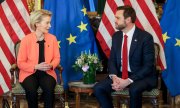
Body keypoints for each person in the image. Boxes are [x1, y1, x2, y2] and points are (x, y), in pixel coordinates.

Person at [93, 5, 157, 108]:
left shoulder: (145, 38)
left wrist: (128, 81)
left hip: (141, 76)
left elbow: (148, 66)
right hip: (120, 75)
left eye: (118, 18)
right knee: (98, 88)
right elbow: (112, 60)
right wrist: (114, 77)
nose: (115, 20)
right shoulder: (116, 36)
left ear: (128, 20)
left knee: (134, 89)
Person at [17, 9, 60, 108]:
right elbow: (20, 63)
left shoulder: (52, 39)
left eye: (50, 22)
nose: (50, 26)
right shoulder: (26, 40)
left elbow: (57, 58)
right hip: (28, 73)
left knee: (49, 89)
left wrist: (51, 65)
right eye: (47, 23)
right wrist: (36, 66)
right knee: (31, 91)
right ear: (37, 24)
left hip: (47, 72)